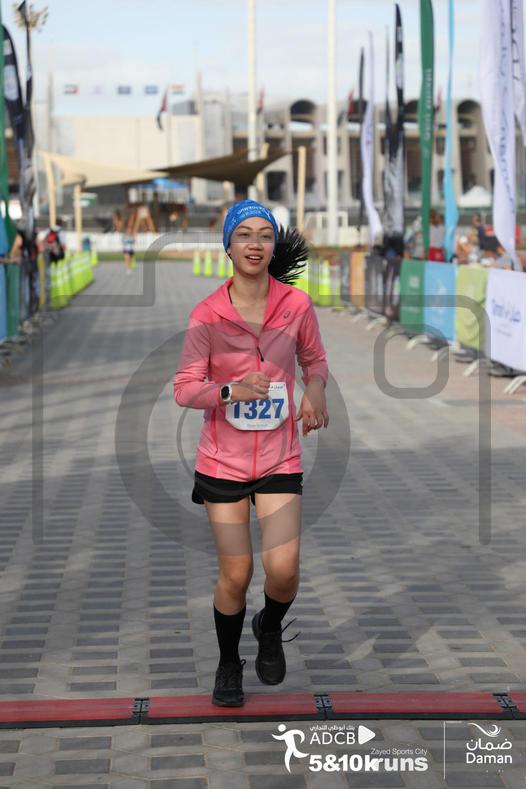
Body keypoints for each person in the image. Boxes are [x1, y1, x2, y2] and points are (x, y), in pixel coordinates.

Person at [173, 199, 330, 707]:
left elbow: (315, 360)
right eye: (244, 235)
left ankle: (269, 625)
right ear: (228, 245)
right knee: (236, 574)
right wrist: (229, 391)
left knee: (284, 571)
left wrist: (316, 391)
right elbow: (184, 388)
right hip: (223, 462)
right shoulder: (207, 313)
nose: (255, 244)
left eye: (264, 234)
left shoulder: (296, 305)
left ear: (273, 245)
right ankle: (227, 664)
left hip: (280, 458)